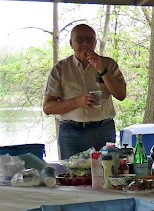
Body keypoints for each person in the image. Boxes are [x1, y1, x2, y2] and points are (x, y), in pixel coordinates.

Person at [43, 23, 127, 159]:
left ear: (95, 43)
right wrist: (78, 102)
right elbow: (47, 108)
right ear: (71, 43)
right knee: (72, 171)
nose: (85, 44)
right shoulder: (60, 69)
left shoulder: (108, 64)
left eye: (89, 40)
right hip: (71, 132)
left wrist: (101, 69)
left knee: (106, 169)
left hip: (103, 129)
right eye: (80, 40)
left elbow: (121, 95)